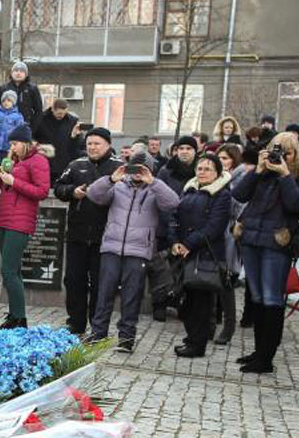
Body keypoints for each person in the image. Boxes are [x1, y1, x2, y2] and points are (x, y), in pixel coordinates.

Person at [231, 132, 299, 374]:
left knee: (272, 299)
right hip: (251, 239)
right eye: (276, 151)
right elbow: (238, 194)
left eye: (287, 153)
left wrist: (284, 175)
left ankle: (266, 357)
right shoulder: (263, 172)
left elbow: (296, 204)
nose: (281, 157)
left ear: (296, 154)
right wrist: (258, 170)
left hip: (276, 243)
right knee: (257, 298)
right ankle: (259, 351)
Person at [85, 153, 180, 352]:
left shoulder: (155, 189)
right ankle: (97, 333)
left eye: (142, 169)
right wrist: (112, 178)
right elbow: (94, 194)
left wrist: (153, 181)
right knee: (104, 293)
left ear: (150, 170)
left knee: (132, 295)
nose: (137, 173)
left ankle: (126, 338)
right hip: (112, 247)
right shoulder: (117, 186)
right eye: (134, 168)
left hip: (138, 252)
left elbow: (173, 203)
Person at [53, 127, 123, 335]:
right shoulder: (76, 165)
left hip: (106, 238)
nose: (92, 147)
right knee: (74, 281)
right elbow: (58, 187)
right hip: (77, 234)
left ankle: (97, 325)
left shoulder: (119, 167)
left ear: (108, 145)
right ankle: (75, 322)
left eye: (97, 143)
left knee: (101, 284)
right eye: (89, 143)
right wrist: (71, 192)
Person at [169, 154, 233, 357]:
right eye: (200, 168)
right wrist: (175, 241)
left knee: (201, 304)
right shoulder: (188, 190)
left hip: (206, 254)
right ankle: (191, 339)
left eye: (207, 169)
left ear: (217, 173)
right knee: (186, 302)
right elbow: (175, 216)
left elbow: (214, 226)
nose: (202, 172)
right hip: (184, 253)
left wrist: (189, 243)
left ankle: (197, 344)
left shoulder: (222, 195)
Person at [0, 125, 51, 330]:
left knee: (7, 270)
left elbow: (42, 191)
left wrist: (14, 181)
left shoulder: (38, 160)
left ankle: (19, 319)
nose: (12, 147)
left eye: (15, 144)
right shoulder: (17, 161)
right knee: (12, 270)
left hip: (21, 221)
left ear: (25, 143)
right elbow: (6, 188)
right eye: (11, 144)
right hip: (5, 219)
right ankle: (14, 315)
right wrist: (0, 178)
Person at [151, 136, 199, 321]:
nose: (184, 151)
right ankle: (160, 304)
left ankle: (181, 304)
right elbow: (158, 197)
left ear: (195, 151)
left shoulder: (200, 170)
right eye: (181, 148)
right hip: (165, 226)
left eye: (189, 148)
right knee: (161, 270)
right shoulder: (166, 171)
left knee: (185, 270)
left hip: (189, 229)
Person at [213, 142, 245, 345]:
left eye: (226, 158)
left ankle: (229, 326)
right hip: (211, 236)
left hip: (228, 237)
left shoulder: (239, 181)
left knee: (226, 283)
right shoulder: (214, 179)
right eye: (220, 158)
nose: (222, 162)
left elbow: (240, 210)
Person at [32, 98, 80, 183]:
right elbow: (32, 136)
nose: (61, 115)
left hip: (63, 161)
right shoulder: (41, 119)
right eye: (59, 113)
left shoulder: (72, 121)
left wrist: (74, 136)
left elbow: (76, 144)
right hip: (45, 159)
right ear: (52, 109)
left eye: (63, 113)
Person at [0, 61, 43, 130]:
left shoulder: (32, 89)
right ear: (12, 73)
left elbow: (38, 111)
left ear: (26, 74)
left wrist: (32, 129)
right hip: (4, 128)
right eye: (16, 70)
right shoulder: (3, 88)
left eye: (21, 71)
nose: (18, 73)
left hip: (24, 128)